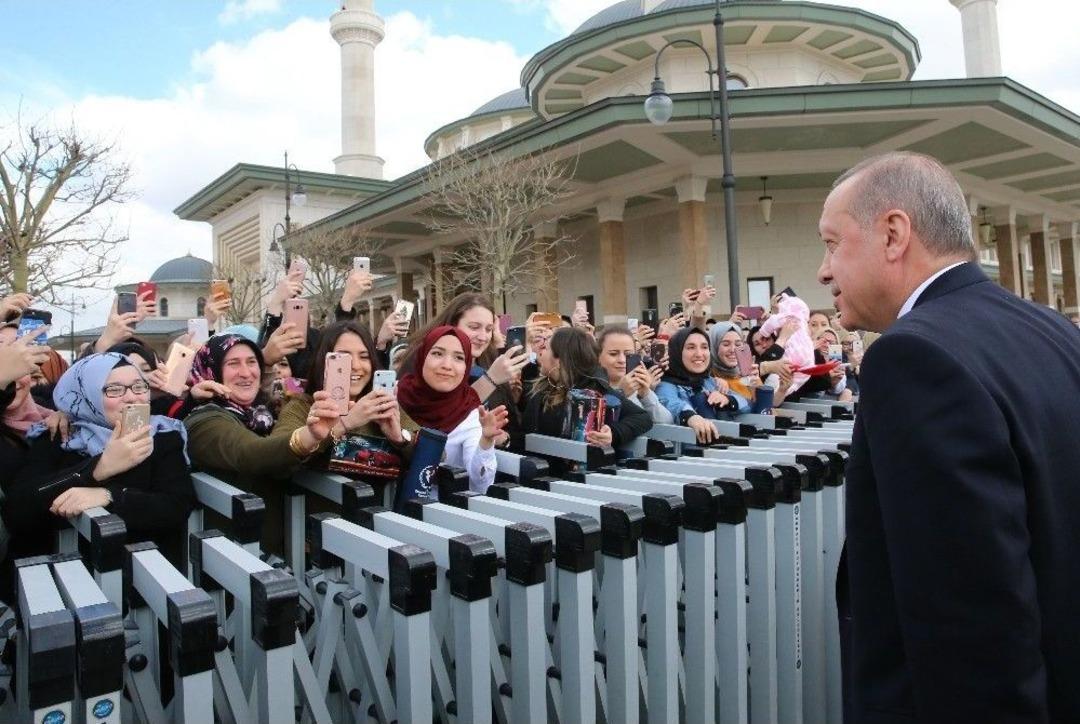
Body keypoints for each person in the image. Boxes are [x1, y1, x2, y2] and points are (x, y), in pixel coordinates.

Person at [818, 151, 1080, 722]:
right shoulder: (1052, 327)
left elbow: (968, 629)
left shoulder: (913, 357)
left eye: (832, 244)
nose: (824, 271)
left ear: (893, 234)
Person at [6, 354, 194, 576]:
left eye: (139, 386)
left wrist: (110, 496)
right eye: (114, 390)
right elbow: (19, 508)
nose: (131, 397)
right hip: (63, 576)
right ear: (88, 394)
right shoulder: (60, 435)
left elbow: (176, 505)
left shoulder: (161, 435)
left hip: (144, 576)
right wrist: (97, 469)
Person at [183, 334, 338, 553]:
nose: (246, 373)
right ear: (211, 368)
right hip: (232, 555)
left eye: (252, 362)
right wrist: (309, 436)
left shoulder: (262, 413)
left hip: (282, 550)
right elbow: (249, 453)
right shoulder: (202, 421)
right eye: (233, 364)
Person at [271, 321, 417, 486]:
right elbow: (275, 460)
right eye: (343, 357)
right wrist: (343, 424)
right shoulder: (302, 406)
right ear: (324, 362)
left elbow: (433, 456)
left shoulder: (381, 405)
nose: (356, 366)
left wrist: (399, 438)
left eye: (364, 357)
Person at [396, 326, 508, 493]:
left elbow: (480, 486)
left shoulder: (469, 412)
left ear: (466, 366)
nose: (447, 365)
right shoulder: (396, 394)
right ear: (422, 356)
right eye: (437, 353)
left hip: (437, 506)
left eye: (458, 358)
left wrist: (486, 441)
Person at [525, 327, 653, 457]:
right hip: (538, 464)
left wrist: (612, 433)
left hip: (578, 466)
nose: (539, 354)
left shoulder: (593, 387)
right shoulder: (541, 387)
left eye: (545, 349)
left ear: (560, 360)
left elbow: (642, 418)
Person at [656, 327, 747, 443]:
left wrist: (728, 400)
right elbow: (671, 402)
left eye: (704, 347)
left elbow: (746, 405)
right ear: (677, 352)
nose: (699, 354)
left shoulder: (710, 382)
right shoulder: (666, 384)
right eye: (691, 347)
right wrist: (691, 417)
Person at [595, 326, 672, 424]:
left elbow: (667, 422)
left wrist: (646, 394)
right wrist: (621, 394)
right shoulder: (591, 389)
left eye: (628, 355)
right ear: (598, 356)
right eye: (613, 354)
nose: (622, 360)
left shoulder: (638, 387)